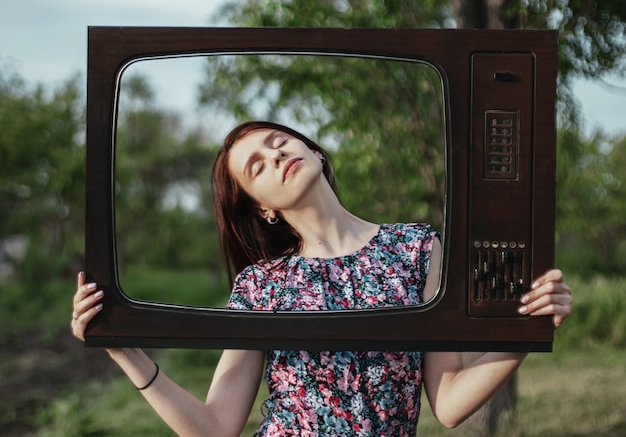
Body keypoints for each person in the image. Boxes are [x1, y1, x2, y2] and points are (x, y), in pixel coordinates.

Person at [72, 121, 572, 436]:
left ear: (314, 151)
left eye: (280, 142)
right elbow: (215, 427)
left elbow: (448, 403)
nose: (276, 157)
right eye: (258, 165)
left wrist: (529, 329)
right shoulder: (261, 286)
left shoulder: (417, 247)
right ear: (262, 207)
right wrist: (125, 351)